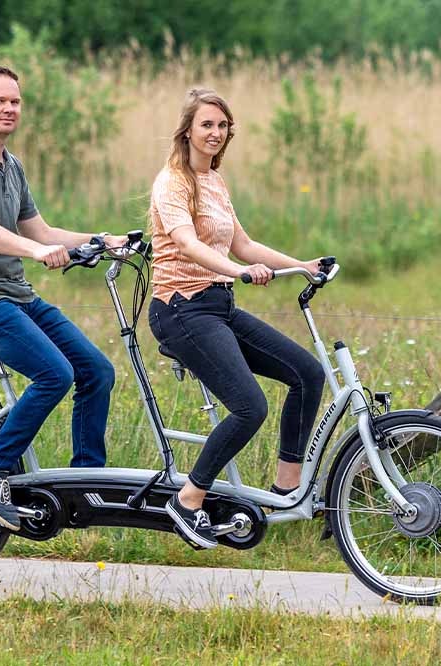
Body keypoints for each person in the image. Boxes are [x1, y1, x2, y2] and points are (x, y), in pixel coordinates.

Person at [0, 65, 125, 532]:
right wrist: (37, 252)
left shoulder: (12, 166)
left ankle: (84, 482)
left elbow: (43, 231)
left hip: (15, 295)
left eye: (15, 101)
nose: (9, 108)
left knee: (96, 370)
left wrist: (102, 239)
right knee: (54, 374)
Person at [148, 88, 327, 549]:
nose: (215, 133)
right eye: (206, 124)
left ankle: (286, 491)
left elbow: (243, 244)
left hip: (219, 305)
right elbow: (189, 245)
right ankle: (189, 499)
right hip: (181, 309)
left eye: (223, 126)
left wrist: (301, 265)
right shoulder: (172, 182)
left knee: (307, 373)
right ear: (187, 129)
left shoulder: (214, 181)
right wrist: (238, 271)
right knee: (250, 408)